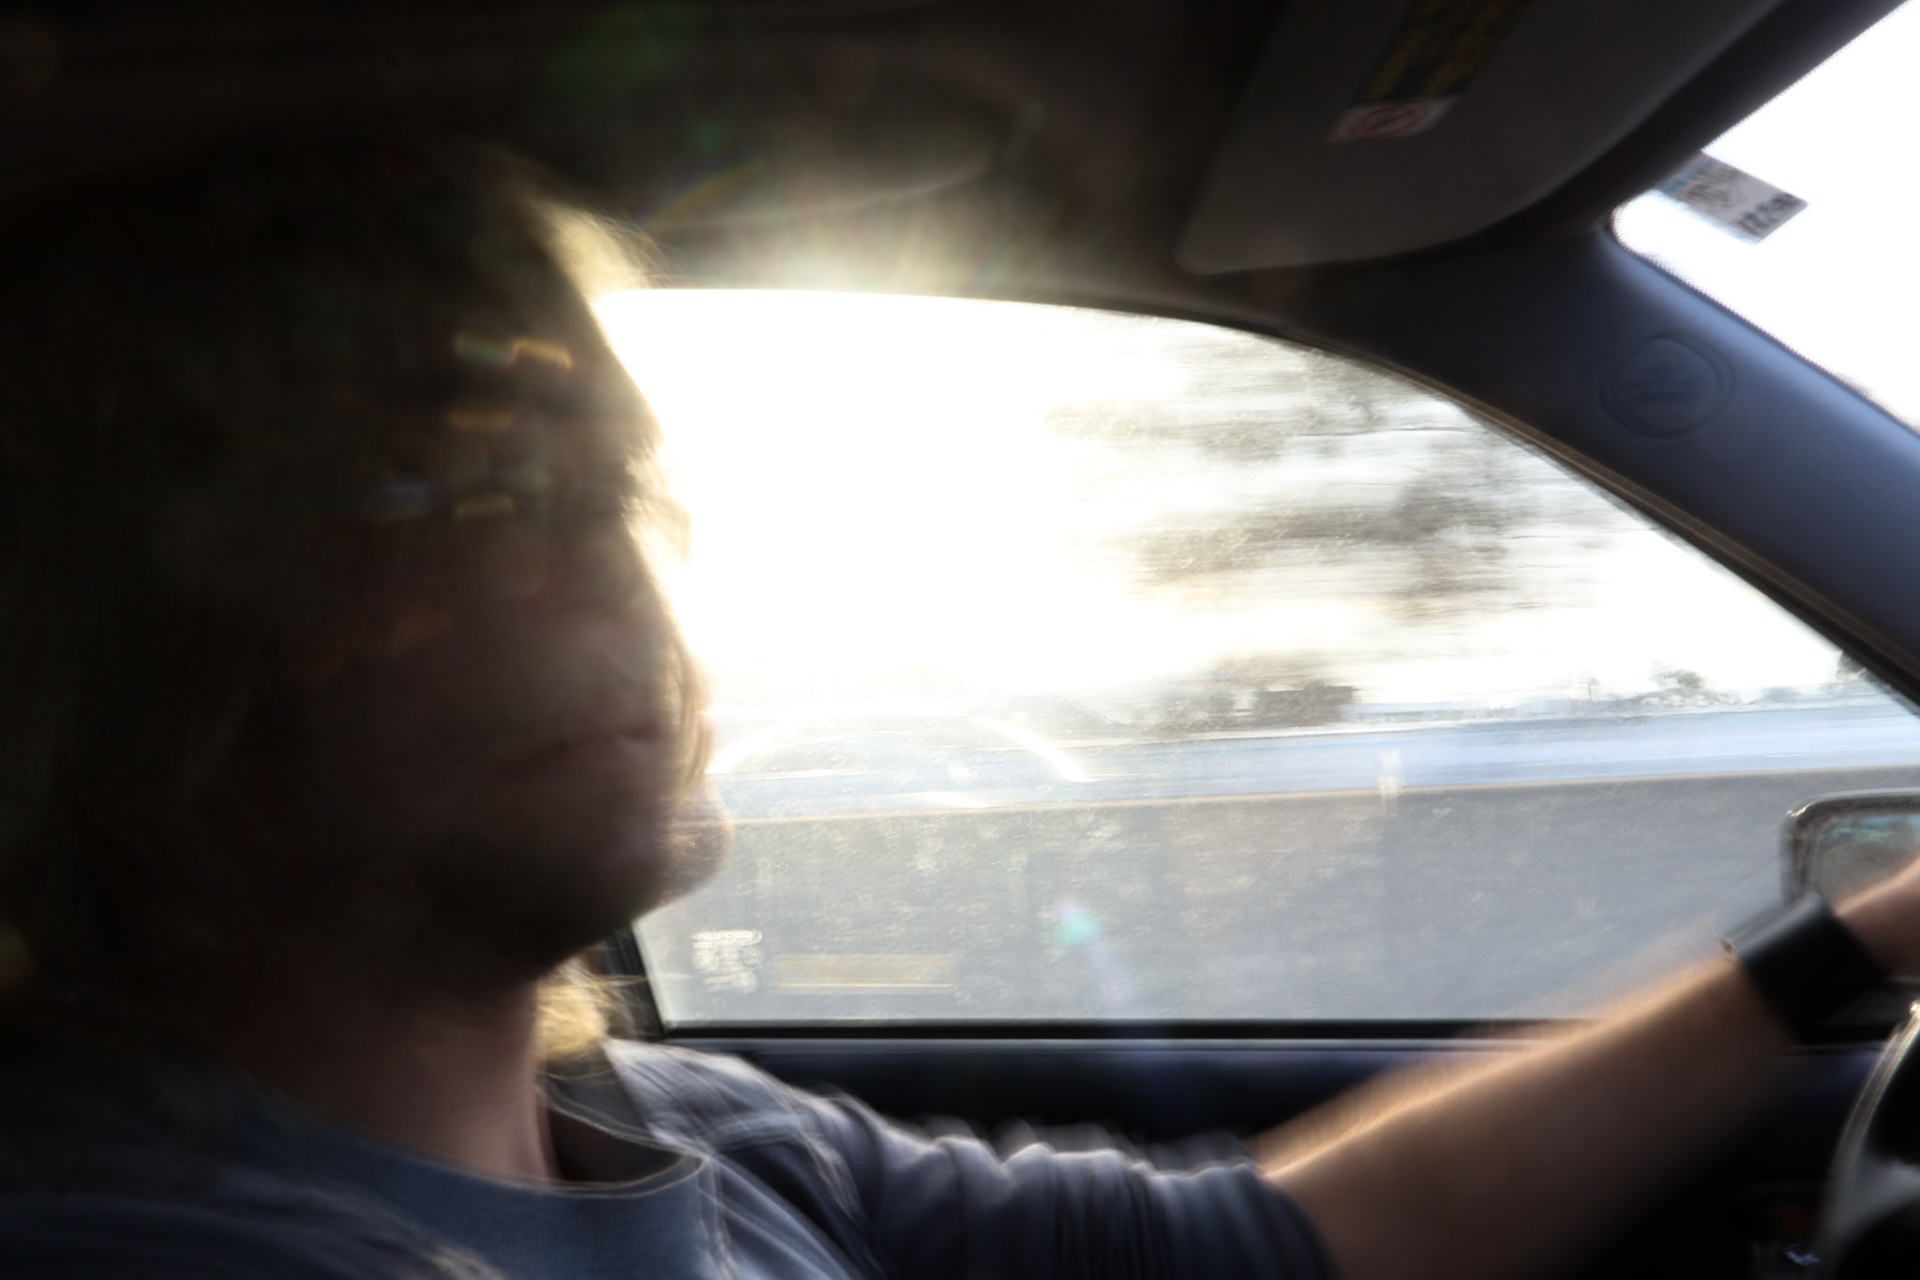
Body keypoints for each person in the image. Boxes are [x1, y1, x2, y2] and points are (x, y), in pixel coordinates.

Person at [1, 133, 1917, 1280]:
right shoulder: (132, 1241)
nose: (598, 560)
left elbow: (1271, 1244)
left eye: (605, 478)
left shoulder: (677, 1125)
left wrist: (1861, 942)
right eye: (437, 487)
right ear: (94, 636)